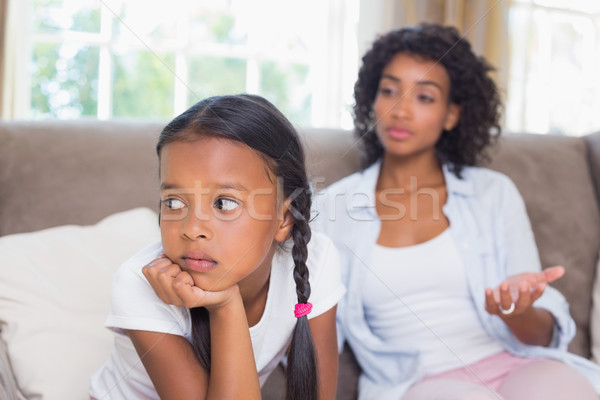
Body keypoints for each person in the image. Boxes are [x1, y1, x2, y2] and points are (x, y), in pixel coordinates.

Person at [313, 24, 600, 399]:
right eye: (389, 90)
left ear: (452, 115)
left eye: (425, 98)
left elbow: (541, 335)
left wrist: (514, 308)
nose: (400, 110)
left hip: (516, 361)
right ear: (372, 100)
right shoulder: (334, 208)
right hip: (416, 384)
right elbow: (313, 338)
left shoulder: (493, 193)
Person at [89, 94, 345, 400]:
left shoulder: (315, 260)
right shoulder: (138, 283)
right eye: (174, 202)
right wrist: (225, 306)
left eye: (224, 203)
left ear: (284, 219)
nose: (192, 229)